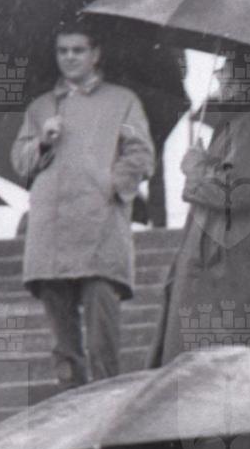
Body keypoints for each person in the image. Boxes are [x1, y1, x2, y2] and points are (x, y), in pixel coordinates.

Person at [11, 25, 154, 389]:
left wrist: (110, 184)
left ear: (95, 54)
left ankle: (107, 411)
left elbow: (141, 154)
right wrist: (42, 142)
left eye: (78, 50)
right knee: (64, 347)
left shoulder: (122, 101)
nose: (70, 57)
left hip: (99, 228)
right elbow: (20, 163)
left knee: (102, 341)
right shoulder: (41, 107)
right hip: (51, 232)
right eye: (63, 51)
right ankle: (70, 408)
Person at [148, 61, 250, 363]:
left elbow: (241, 190)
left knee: (215, 367)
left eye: (227, 72)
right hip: (218, 266)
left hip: (229, 271)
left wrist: (197, 170)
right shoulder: (244, 122)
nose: (220, 80)